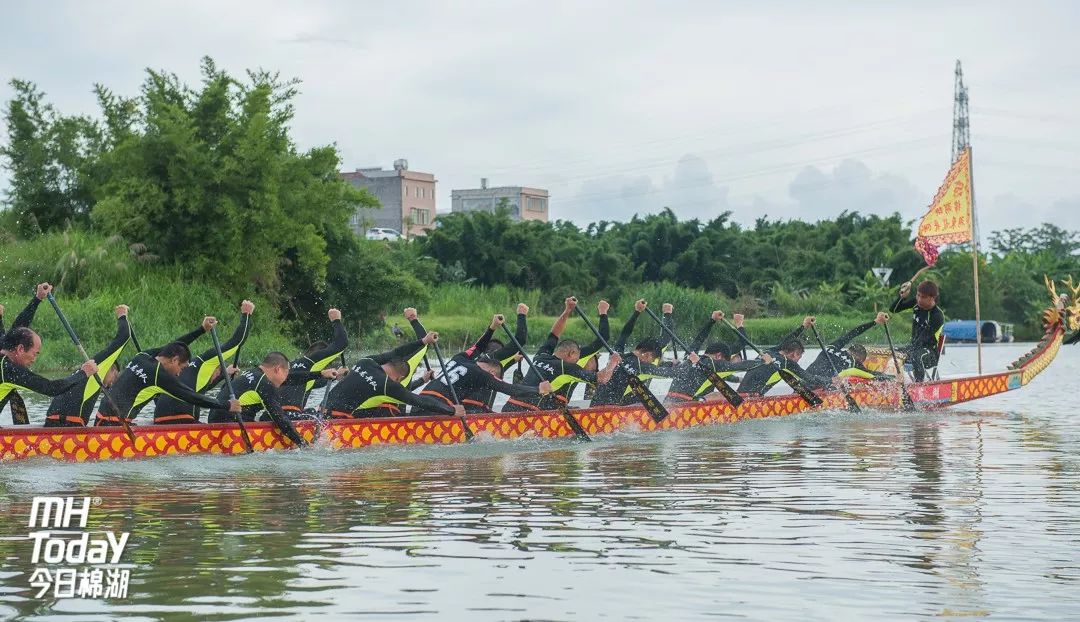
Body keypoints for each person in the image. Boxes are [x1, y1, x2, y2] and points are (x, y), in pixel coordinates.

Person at [94, 316, 240, 425]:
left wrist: (201, 330)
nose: (178, 374)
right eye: (181, 368)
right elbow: (191, 396)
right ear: (174, 360)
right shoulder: (159, 375)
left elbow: (173, 345)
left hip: (100, 419)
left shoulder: (142, 356)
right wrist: (226, 405)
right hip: (115, 427)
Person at [417, 315, 555, 413]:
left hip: (418, 403)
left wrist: (492, 327)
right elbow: (510, 389)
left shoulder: (460, 357)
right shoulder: (482, 375)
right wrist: (538, 390)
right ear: (492, 373)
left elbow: (478, 347)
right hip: (436, 410)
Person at [153, 300, 254, 424]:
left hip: (159, 421)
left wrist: (224, 374)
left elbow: (202, 388)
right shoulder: (206, 361)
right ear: (214, 367)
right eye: (218, 372)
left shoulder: (186, 370)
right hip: (182, 421)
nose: (216, 376)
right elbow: (236, 343)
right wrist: (246, 315)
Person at [322, 332, 466, 419]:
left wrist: (423, 341)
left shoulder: (365, 362)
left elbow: (396, 352)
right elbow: (419, 400)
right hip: (337, 422)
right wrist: (452, 410)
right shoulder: (387, 385)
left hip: (320, 412)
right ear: (398, 379)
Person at [45, 305, 132, 427]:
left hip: (50, 424)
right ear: (110, 367)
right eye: (115, 375)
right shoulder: (98, 367)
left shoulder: (81, 372)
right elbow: (124, 337)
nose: (110, 384)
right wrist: (122, 315)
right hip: (70, 429)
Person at [665, 312, 773, 403]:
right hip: (684, 408)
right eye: (725, 361)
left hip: (668, 403)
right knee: (718, 395)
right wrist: (763, 361)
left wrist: (712, 320)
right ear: (718, 356)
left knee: (719, 386)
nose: (725, 364)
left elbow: (699, 339)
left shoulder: (690, 357)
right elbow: (742, 365)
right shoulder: (714, 364)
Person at [207, 352, 308, 447]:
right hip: (229, 430)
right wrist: (303, 443)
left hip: (213, 422)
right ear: (278, 369)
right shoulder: (265, 383)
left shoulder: (251, 372)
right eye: (286, 373)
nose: (286, 379)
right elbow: (280, 419)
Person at [1, 327, 98, 406]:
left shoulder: (4, 353)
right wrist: (83, 373)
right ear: (20, 349)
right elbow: (52, 388)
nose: (34, 360)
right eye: (35, 354)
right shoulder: (10, 369)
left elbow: (10, 333)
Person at [0, 282, 52, 422]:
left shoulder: (5, 348)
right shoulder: (8, 368)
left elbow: (19, 329)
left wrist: (38, 298)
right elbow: (50, 388)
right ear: (20, 349)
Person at [280, 308, 348, 412]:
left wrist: (335, 375)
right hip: (290, 417)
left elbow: (315, 382)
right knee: (313, 411)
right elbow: (341, 343)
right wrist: (336, 320)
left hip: (268, 417)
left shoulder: (290, 364)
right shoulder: (312, 362)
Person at [804, 312, 891, 386]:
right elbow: (870, 374)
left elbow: (853, 333)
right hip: (818, 386)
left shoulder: (832, 347)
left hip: (804, 379)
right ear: (860, 359)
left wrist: (875, 321)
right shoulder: (853, 362)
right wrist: (891, 377)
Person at [736, 316, 816, 396]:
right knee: (790, 374)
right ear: (794, 354)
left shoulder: (769, 351)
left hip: (738, 395)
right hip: (751, 401)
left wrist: (803, 326)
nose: (799, 360)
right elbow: (809, 378)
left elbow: (786, 341)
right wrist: (827, 383)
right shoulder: (787, 363)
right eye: (799, 357)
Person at [890, 280, 945, 382]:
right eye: (918, 295)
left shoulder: (937, 316)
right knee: (891, 352)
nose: (919, 299)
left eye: (923, 297)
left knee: (916, 356)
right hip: (914, 347)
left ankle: (918, 387)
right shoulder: (916, 304)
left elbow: (922, 340)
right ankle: (890, 383)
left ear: (932, 298)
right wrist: (902, 297)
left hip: (929, 353)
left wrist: (906, 352)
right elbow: (893, 309)